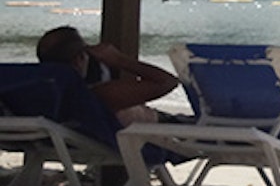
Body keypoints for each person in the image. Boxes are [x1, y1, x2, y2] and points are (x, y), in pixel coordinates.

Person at [36, 25, 181, 126]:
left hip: (67, 142)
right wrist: (120, 60)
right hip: (164, 132)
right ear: (79, 59)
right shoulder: (100, 95)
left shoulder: (40, 93)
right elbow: (168, 82)